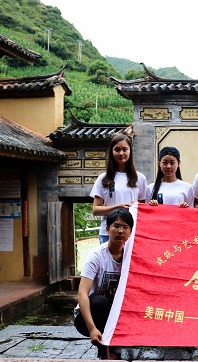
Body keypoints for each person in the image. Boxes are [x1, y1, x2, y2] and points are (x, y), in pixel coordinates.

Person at [74, 208, 134, 360]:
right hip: (91, 317)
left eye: (125, 227)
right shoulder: (96, 256)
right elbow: (82, 294)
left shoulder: (132, 256)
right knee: (100, 302)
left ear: (130, 232)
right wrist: (92, 329)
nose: (120, 231)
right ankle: (105, 348)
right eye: (116, 226)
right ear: (107, 229)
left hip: (118, 315)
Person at [90, 134, 147, 244]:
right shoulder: (103, 178)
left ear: (130, 151)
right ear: (111, 152)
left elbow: (143, 208)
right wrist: (117, 208)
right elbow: (96, 210)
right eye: (117, 150)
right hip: (108, 232)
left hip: (132, 233)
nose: (121, 153)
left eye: (125, 149)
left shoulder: (140, 178)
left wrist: (136, 206)